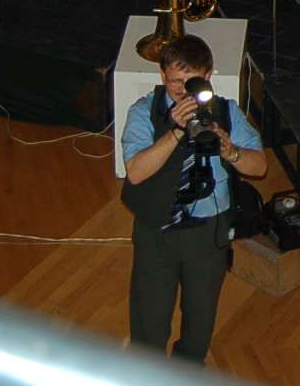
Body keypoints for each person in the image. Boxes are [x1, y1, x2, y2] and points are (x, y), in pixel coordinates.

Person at [121, 35, 265, 363]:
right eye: (175, 82)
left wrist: (231, 151)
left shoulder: (226, 111)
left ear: (209, 76)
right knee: (148, 320)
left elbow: (259, 167)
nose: (183, 91)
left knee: (200, 320)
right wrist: (175, 131)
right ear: (162, 75)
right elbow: (136, 173)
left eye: (193, 82)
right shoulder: (144, 111)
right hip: (157, 229)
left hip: (208, 232)